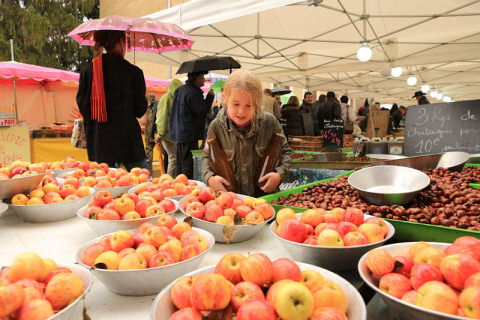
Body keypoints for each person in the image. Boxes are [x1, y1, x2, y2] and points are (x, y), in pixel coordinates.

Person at [202, 69, 292, 197]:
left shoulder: (270, 123)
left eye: (249, 105)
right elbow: (206, 157)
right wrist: (210, 178)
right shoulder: (216, 127)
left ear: (257, 103)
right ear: (225, 98)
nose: (241, 112)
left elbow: (286, 152)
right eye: (236, 104)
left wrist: (279, 175)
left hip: (264, 199)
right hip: (230, 200)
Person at [76, 30, 149, 171]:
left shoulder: (87, 71)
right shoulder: (134, 72)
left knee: (104, 185)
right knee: (143, 184)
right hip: (129, 143)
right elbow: (140, 110)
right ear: (122, 41)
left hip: (100, 143)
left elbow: (83, 106)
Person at [169, 72, 214, 179]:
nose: (204, 79)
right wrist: (210, 97)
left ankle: (179, 184)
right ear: (196, 78)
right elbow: (201, 110)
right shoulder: (192, 92)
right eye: (202, 77)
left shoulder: (181, 89)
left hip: (180, 132)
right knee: (187, 163)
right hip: (188, 132)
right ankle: (186, 186)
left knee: (181, 162)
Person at [155, 79, 183, 177]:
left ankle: (172, 181)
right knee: (174, 158)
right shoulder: (167, 97)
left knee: (174, 158)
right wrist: (160, 134)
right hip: (167, 135)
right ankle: (169, 181)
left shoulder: (176, 98)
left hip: (173, 135)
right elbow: (161, 117)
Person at [144, 94, 157, 171]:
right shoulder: (150, 108)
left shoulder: (154, 108)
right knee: (149, 152)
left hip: (152, 134)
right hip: (150, 133)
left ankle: (149, 169)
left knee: (149, 151)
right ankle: (149, 169)